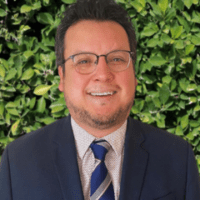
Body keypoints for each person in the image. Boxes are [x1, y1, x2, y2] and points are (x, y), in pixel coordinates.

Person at [0, 0, 200, 199]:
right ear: (62, 77)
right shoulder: (18, 162)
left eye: (116, 59)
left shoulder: (177, 159)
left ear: (134, 73)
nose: (103, 74)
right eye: (84, 61)